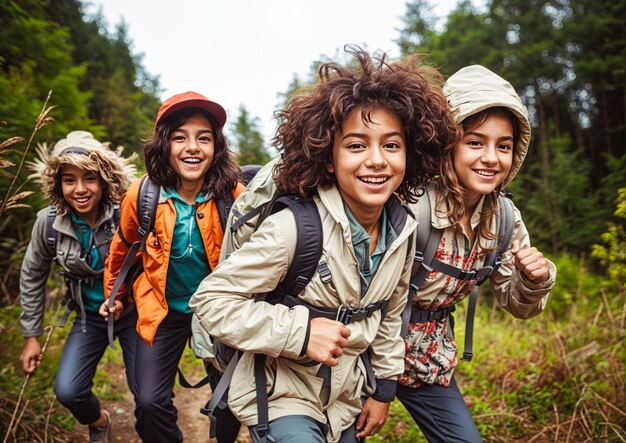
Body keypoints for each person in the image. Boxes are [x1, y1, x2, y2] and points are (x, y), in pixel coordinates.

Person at [189, 47, 458, 443]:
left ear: (410, 153)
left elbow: (389, 315)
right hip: (281, 395)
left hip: (346, 398)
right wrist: (300, 333)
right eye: (355, 145)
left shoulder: (401, 231)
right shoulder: (293, 229)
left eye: (391, 144)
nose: (377, 160)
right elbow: (211, 301)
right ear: (328, 158)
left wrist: (383, 390)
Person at [397, 65, 558, 442]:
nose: (491, 157)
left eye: (503, 146)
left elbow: (517, 304)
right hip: (365, 351)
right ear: (447, 142)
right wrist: (380, 387)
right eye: (475, 142)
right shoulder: (409, 205)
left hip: (427, 357)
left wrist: (534, 280)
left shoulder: (503, 217)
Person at [100, 91, 244, 443]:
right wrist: (114, 294)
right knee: (149, 402)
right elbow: (123, 249)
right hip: (160, 309)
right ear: (164, 144)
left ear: (217, 147)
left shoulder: (234, 195)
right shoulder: (142, 195)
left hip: (219, 311)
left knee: (229, 401)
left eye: (204, 138)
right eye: (180, 137)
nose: (192, 147)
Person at [19, 130, 138, 443]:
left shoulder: (127, 214)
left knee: (148, 393)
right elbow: (32, 275)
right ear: (58, 184)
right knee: (69, 391)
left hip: (134, 314)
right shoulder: (48, 224)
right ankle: (99, 421)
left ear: (104, 181)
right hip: (88, 318)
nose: (80, 189)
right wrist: (32, 336)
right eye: (69, 180)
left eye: (89, 178)